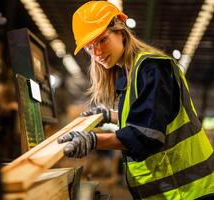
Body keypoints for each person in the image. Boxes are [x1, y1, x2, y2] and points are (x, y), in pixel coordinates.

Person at [57, 1, 214, 199]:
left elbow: (145, 135)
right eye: (89, 48)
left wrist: (92, 140)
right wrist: (109, 116)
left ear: (121, 32)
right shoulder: (129, 72)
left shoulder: (153, 68)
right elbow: (149, 115)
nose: (96, 53)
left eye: (102, 40)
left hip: (191, 190)